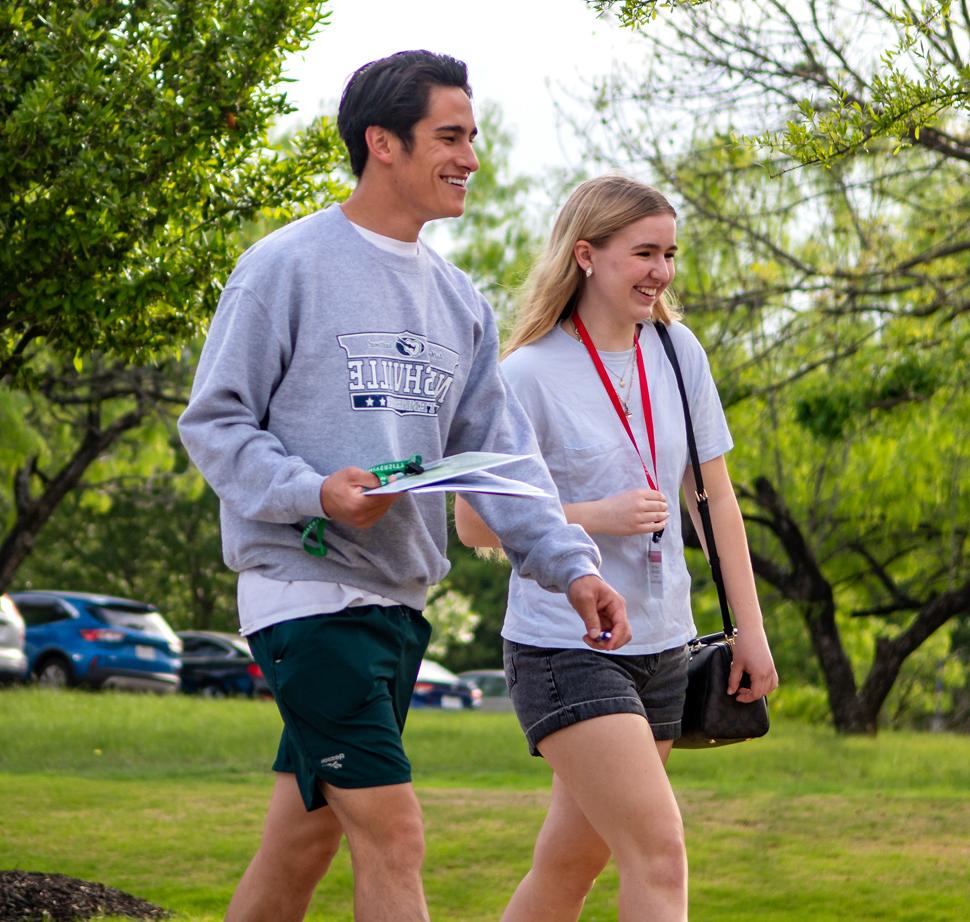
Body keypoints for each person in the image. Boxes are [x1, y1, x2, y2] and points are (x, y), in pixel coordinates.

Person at [177, 52, 631, 922]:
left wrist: (573, 568)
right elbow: (215, 424)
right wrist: (316, 492)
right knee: (394, 835)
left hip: (397, 602)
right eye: (449, 136)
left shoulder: (459, 300)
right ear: (382, 143)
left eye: (474, 136)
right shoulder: (285, 267)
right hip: (307, 594)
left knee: (300, 843)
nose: (470, 157)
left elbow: (504, 459)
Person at [455, 175, 779, 922]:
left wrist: (750, 632)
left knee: (570, 865)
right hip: (564, 647)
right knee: (658, 853)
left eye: (670, 253)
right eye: (644, 253)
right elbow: (475, 525)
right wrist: (596, 514)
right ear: (586, 256)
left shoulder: (676, 350)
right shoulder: (526, 375)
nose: (662, 271)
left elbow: (714, 498)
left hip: (665, 644)